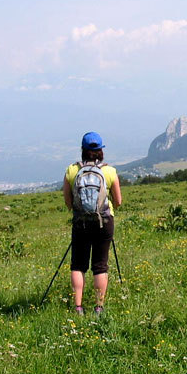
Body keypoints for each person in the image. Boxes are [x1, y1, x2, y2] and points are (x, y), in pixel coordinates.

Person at [63, 132, 122, 315]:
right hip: (104, 221)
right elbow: (118, 201)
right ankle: (98, 307)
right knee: (100, 265)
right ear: (100, 151)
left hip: (80, 222)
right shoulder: (110, 171)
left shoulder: (72, 170)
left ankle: (78, 307)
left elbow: (68, 202)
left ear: (83, 150)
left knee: (78, 265)